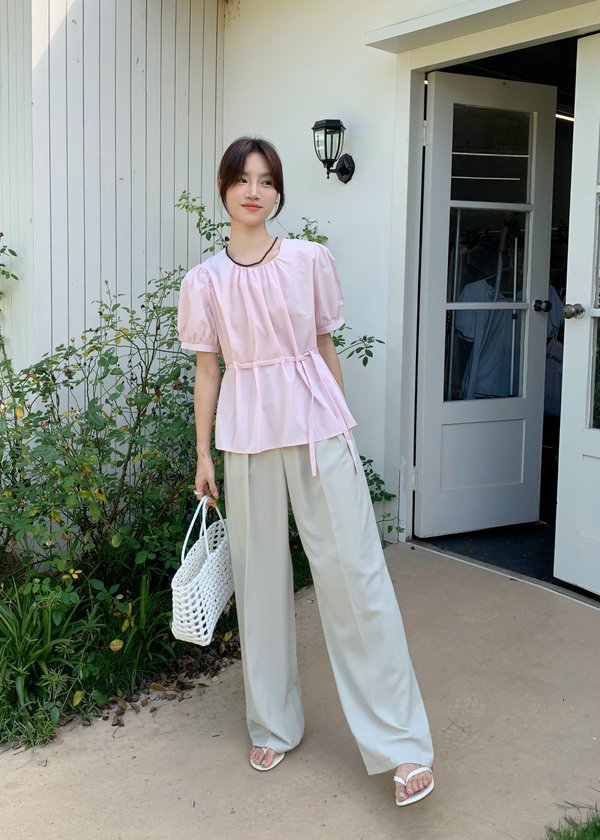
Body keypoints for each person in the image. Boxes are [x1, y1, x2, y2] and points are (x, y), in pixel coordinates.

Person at [177, 136, 434, 807]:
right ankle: (272, 723)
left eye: (266, 180)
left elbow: (323, 346)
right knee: (260, 584)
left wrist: (344, 428)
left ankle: (402, 745)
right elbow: (209, 370)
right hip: (247, 438)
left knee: (356, 578)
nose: (254, 190)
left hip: (319, 431)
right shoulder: (204, 281)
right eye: (242, 179)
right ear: (224, 188)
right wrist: (203, 453)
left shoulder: (309, 262)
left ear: (280, 190)